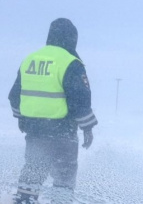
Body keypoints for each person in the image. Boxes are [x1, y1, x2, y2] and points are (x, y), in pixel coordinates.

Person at [8, 18, 98, 204]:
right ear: (72, 38)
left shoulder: (30, 60)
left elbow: (14, 96)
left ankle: (24, 201)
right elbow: (79, 99)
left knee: (32, 170)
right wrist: (87, 127)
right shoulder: (70, 62)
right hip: (62, 132)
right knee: (64, 176)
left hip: (34, 130)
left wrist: (21, 118)